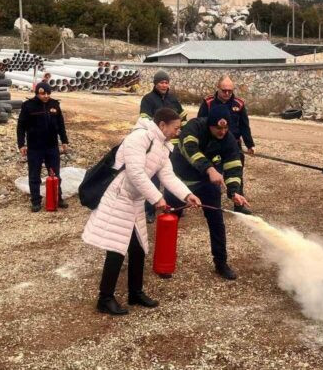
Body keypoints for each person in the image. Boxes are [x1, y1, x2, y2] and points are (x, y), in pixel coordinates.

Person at [82, 108, 201, 315]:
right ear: (162, 125)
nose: (178, 132)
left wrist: (186, 195)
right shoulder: (139, 138)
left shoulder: (163, 146)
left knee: (138, 248)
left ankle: (135, 293)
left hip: (134, 200)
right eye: (176, 128)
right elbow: (135, 173)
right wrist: (157, 198)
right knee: (116, 248)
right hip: (118, 197)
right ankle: (105, 298)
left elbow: (168, 176)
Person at [164, 105, 249, 280]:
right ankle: (164, 262)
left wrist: (234, 192)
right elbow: (191, 151)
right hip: (179, 181)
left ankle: (221, 263)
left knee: (217, 221)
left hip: (206, 183)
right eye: (218, 128)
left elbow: (233, 165)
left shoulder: (228, 139)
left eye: (225, 128)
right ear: (210, 124)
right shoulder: (193, 127)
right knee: (170, 220)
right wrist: (210, 169)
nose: (222, 131)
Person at [197, 75, 255, 214]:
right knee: (213, 174)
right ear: (218, 88)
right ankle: (212, 203)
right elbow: (201, 123)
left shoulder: (239, 104)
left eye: (230, 90)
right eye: (224, 90)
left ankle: (238, 203)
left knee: (236, 172)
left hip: (233, 145)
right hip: (213, 146)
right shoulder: (208, 102)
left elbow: (244, 126)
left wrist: (250, 144)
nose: (227, 93)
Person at [139, 70, 187, 223]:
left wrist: (182, 133)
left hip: (172, 146)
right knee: (153, 177)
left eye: (166, 82)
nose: (164, 85)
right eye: (161, 82)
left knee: (171, 175)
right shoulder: (147, 99)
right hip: (155, 144)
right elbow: (145, 121)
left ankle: (173, 205)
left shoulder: (173, 99)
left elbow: (183, 118)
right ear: (155, 83)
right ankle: (150, 210)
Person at [17, 82, 70, 212]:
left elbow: (61, 124)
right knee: (34, 175)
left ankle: (58, 197)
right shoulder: (28, 106)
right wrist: (21, 144)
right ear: (37, 93)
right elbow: (21, 126)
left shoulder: (54, 105)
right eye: (42, 94)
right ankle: (36, 201)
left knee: (55, 173)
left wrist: (64, 141)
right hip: (35, 147)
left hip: (51, 146)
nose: (46, 96)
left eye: (48, 93)